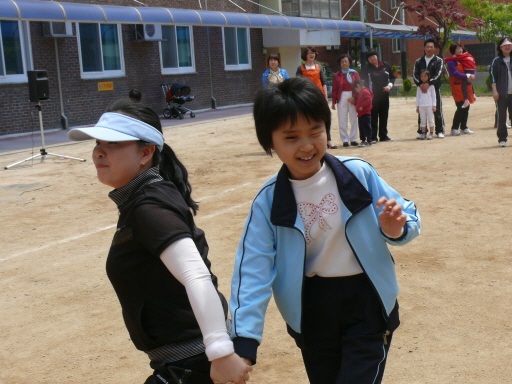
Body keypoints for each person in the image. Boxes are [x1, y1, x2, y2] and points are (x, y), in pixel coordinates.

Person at [230, 77, 421, 384]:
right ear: (270, 142)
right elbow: (252, 269)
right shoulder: (269, 201)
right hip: (312, 311)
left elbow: (407, 214)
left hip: (367, 302)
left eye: (315, 131)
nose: (307, 145)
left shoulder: (357, 173)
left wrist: (396, 229)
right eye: (291, 137)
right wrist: (243, 342)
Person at [67, 100, 252, 384]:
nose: (99, 152)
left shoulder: (148, 207)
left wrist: (221, 352)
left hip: (193, 363)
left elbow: (196, 276)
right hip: (183, 361)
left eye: (113, 143)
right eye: (98, 142)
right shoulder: (142, 198)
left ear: (146, 153)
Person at [296, 46, 337, 149]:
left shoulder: (319, 67)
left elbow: (323, 82)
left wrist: (326, 96)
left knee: (324, 118)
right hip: (306, 98)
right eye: (309, 53)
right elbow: (298, 83)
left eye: (313, 53)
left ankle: (328, 140)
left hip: (319, 97)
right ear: (305, 55)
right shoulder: (300, 68)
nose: (311, 55)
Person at [412, 38, 445, 138]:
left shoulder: (438, 60)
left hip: (434, 88)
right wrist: (420, 84)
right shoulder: (418, 61)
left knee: (437, 109)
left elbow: (438, 74)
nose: (429, 49)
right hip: (421, 89)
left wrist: (429, 83)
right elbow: (415, 74)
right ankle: (422, 131)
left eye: (431, 47)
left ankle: (439, 130)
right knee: (422, 110)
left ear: (434, 48)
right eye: (427, 47)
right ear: (424, 48)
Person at [360, 50, 395, 143]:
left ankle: (383, 136)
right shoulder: (366, 69)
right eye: (369, 57)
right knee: (373, 116)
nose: (372, 58)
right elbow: (363, 81)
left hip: (384, 95)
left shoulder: (386, 65)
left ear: (377, 56)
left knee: (384, 115)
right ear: (368, 60)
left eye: (373, 56)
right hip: (372, 97)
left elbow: (392, 77)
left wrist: (389, 86)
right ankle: (373, 137)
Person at [446, 43, 476, 136]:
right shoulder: (451, 62)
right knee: (460, 107)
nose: (460, 50)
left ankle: (464, 127)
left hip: (467, 86)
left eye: (461, 48)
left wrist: (474, 75)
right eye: (458, 49)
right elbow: (455, 74)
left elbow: (473, 68)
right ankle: (454, 128)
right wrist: (467, 75)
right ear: (453, 51)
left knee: (467, 107)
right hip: (457, 87)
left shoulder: (464, 58)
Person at [331, 54, 360, 147]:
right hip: (342, 96)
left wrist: (355, 97)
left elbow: (359, 86)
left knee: (354, 118)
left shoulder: (355, 73)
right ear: (340, 64)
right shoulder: (337, 75)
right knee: (342, 118)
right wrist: (334, 101)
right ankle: (345, 140)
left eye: (346, 61)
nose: (344, 63)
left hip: (353, 95)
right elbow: (335, 88)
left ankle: (353, 138)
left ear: (349, 63)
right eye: (342, 62)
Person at [491, 37, 512, 147]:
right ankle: (502, 139)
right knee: (502, 117)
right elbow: (493, 77)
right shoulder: (497, 61)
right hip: (502, 94)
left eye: (509, 44)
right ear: (500, 47)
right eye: (505, 45)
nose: (508, 47)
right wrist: (495, 91)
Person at [415, 70, 437, 140]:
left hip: (429, 105)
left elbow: (434, 96)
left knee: (430, 119)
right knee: (422, 120)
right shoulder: (419, 87)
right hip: (421, 106)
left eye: (425, 76)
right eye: (422, 76)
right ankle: (423, 133)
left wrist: (434, 105)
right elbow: (417, 97)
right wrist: (417, 106)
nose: (423, 78)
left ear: (428, 77)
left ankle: (431, 133)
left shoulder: (431, 86)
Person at [353, 79, 373, 147]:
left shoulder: (365, 91)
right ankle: (363, 140)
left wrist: (362, 106)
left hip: (365, 113)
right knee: (361, 127)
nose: (356, 91)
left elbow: (369, 100)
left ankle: (369, 141)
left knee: (366, 127)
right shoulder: (362, 92)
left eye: (356, 89)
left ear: (358, 86)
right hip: (361, 113)